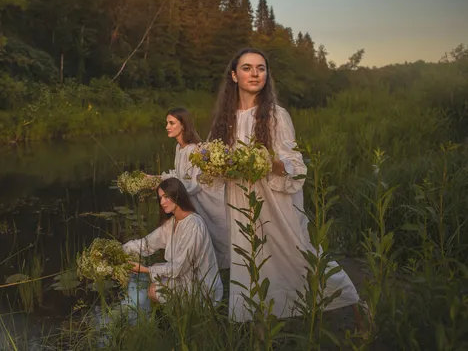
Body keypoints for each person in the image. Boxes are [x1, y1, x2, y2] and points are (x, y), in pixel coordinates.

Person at [208, 48, 362, 322]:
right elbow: (215, 168)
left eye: (261, 68)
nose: (255, 73)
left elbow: (295, 166)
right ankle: (260, 328)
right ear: (233, 76)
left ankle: (356, 306)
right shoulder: (224, 121)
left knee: (299, 255)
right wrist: (215, 165)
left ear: (267, 75)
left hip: (273, 201)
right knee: (250, 262)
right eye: (247, 68)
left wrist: (269, 162)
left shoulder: (277, 116)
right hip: (240, 202)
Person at [122, 177, 223, 305]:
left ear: (177, 196)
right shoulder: (173, 223)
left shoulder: (194, 225)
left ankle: (189, 318)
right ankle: (175, 319)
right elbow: (146, 244)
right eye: (160, 198)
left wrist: (144, 269)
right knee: (150, 287)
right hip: (185, 278)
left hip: (201, 287)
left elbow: (179, 267)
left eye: (166, 197)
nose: (162, 202)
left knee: (154, 290)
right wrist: (118, 251)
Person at [157, 107, 231, 270]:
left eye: (171, 123)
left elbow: (194, 183)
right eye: (166, 123)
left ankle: (225, 272)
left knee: (218, 234)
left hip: (203, 198)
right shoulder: (179, 148)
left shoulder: (193, 149)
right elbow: (179, 174)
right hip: (190, 197)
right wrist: (158, 180)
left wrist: (171, 192)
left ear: (183, 125)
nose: (167, 127)